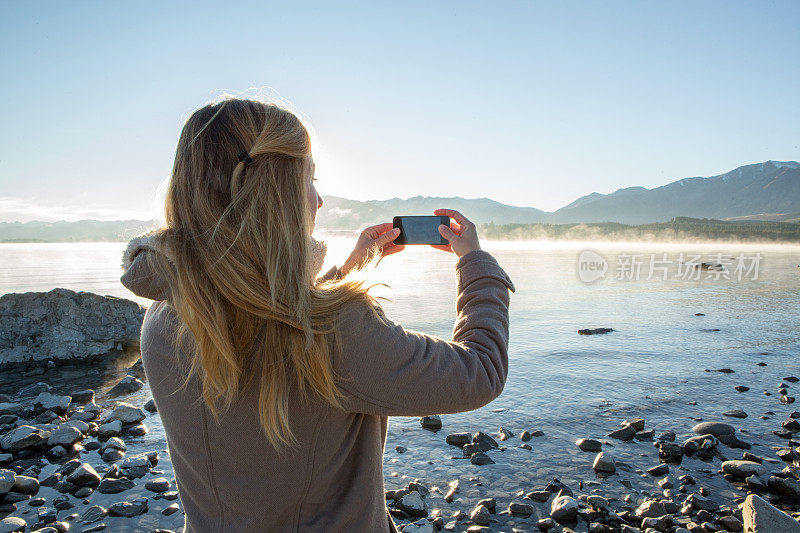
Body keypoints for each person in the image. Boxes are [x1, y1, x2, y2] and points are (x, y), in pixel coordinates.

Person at [120, 97, 515, 533]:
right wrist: (477, 264)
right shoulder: (334, 331)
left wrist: (349, 269)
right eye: (309, 178)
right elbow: (480, 370)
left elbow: (262, 308)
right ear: (277, 190)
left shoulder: (166, 314)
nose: (320, 199)